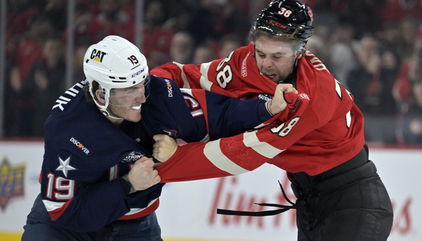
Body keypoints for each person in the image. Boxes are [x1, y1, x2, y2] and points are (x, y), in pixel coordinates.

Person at [151, 0, 394, 240]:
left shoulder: (313, 97)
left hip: (354, 202)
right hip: (309, 198)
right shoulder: (245, 61)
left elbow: (244, 153)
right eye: (260, 53)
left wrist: (171, 161)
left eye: (278, 56)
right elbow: (187, 75)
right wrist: (146, 86)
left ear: (299, 51)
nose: (266, 64)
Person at [21, 35, 296, 241]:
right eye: (129, 89)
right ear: (100, 93)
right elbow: (64, 212)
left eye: (141, 83)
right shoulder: (66, 128)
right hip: (65, 230)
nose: (141, 96)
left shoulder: (158, 95)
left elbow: (219, 114)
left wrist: (268, 106)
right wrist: (128, 185)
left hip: (134, 227)